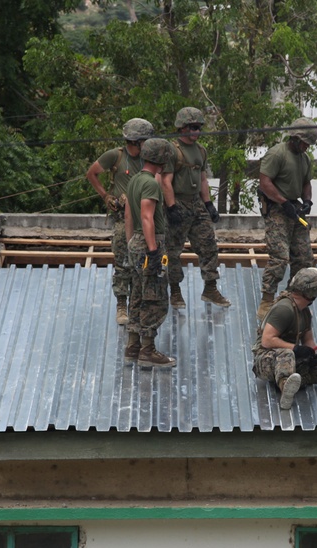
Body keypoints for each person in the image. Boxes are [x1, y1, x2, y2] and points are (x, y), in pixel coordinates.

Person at [86, 118, 156, 325]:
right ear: (136, 142)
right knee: (123, 263)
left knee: (142, 264)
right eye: (145, 141)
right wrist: (106, 196)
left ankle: (138, 306)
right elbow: (91, 174)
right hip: (121, 218)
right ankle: (121, 305)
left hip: (145, 220)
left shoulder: (149, 160)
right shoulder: (115, 156)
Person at [162, 107, 230, 310]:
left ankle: (210, 288)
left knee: (209, 245)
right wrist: (171, 207)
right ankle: (175, 291)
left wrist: (209, 204)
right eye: (193, 127)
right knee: (173, 251)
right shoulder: (172, 150)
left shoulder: (201, 151)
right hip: (178, 203)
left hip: (196, 204)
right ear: (182, 127)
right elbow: (166, 181)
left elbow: (202, 179)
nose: (197, 131)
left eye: (199, 127)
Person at [252, 267, 317, 410]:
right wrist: (296, 349)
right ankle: (285, 387)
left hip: (292, 361)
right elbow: (267, 340)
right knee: (287, 353)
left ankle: (295, 381)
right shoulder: (284, 308)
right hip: (268, 361)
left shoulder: (304, 311)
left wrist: (311, 354)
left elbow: (308, 340)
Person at [256, 117, 317, 321]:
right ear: (295, 138)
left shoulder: (304, 159)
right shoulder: (277, 154)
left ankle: (294, 299)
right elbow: (265, 182)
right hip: (277, 208)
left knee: (304, 258)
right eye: (305, 143)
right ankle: (266, 300)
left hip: (295, 208)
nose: (307, 147)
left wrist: (307, 201)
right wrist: (283, 203)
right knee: (280, 256)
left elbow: (306, 183)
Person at [123, 137, 177, 368]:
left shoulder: (135, 179)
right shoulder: (151, 184)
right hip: (148, 245)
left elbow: (128, 214)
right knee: (153, 298)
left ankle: (133, 345)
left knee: (136, 294)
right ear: (162, 159)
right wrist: (153, 252)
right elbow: (147, 217)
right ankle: (147, 350)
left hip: (135, 242)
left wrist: (130, 244)